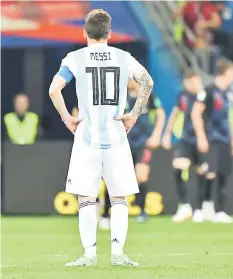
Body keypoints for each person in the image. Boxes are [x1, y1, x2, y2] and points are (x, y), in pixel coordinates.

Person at [48, 9, 153, 267]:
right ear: (109, 33)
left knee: (86, 198)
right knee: (119, 198)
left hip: (86, 137)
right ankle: (118, 255)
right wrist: (133, 115)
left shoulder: (74, 58)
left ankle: (89, 254)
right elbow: (147, 83)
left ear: (85, 32)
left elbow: (54, 89)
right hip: (116, 137)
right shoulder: (122, 57)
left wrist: (67, 118)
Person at [99, 78, 165, 229]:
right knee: (114, 177)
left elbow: (161, 115)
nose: (130, 82)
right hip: (122, 142)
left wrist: (156, 135)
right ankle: (105, 213)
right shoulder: (119, 96)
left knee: (141, 175)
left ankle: (142, 211)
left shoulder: (148, 96)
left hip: (143, 142)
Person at [191, 59, 233, 223]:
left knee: (223, 173)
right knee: (208, 172)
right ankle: (202, 207)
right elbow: (196, 113)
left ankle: (220, 211)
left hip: (224, 139)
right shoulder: (208, 91)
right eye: (232, 72)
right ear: (225, 73)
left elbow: (227, 119)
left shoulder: (229, 93)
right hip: (210, 138)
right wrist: (201, 136)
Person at [162, 69, 214, 223]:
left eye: (197, 81)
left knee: (202, 172)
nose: (195, 84)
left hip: (204, 138)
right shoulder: (183, 95)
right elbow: (175, 113)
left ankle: (200, 208)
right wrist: (167, 133)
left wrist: (203, 137)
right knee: (178, 166)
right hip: (186, 138)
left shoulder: (205, 96)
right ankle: (185, 205)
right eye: (192, 81)